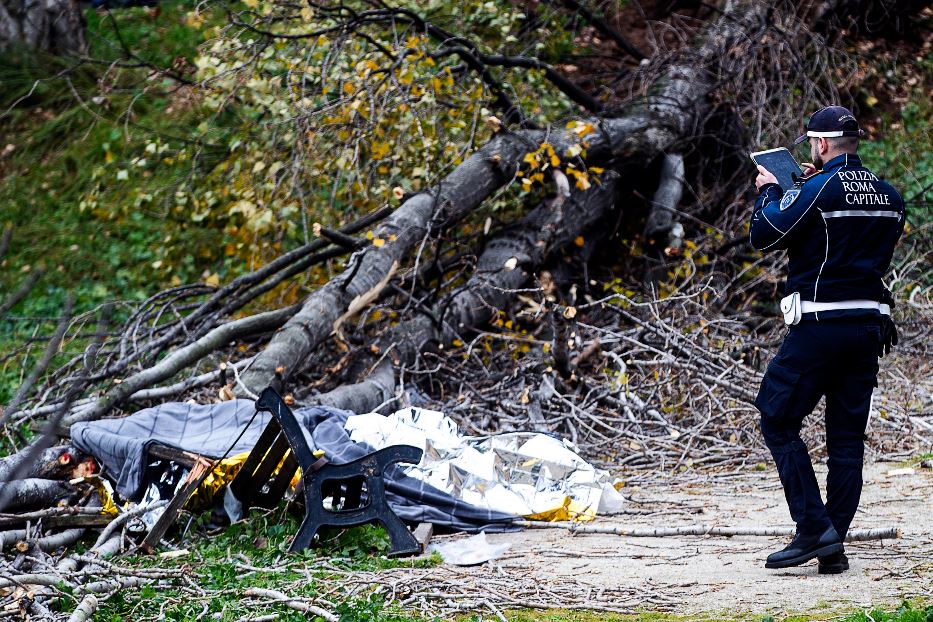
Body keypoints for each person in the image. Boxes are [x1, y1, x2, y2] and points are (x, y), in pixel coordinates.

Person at [748, 106, 905, 573]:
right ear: (854, 142)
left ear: (819, 145)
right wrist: (807, 190)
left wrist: (772, 191)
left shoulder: (816, 189)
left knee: (776, 418)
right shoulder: (891, 196)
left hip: (819, 327)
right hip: (868, 329)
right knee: (846, 442)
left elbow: (765, 233)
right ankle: (832, 546)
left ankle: (814, 529)